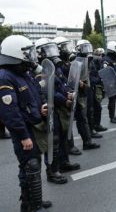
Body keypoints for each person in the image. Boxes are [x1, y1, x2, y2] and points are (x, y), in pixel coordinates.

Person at [0, 35, 52, 211]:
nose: (29, 56)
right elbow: (10, 112)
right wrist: (23, 136)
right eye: (26, 53)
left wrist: (41, 109)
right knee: (29, 166)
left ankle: (34, 200)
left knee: (34, 164)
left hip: (33, 126)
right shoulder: (5, 77)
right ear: (15, 53)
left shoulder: (23, 73)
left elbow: (34, 96)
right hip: (23, 131)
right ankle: (29, 205)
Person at [34, 38, 68, 184]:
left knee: (61, 137)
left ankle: (62, 164)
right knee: (52, 140)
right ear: (40, 53)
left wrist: (68, 94)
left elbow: (62, 85)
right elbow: (47, 91)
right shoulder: (40, 71)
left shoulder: (54, 68)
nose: (52, 53)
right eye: (48, 50)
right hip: (49, 108)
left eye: (53, 49)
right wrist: (64, 99)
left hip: (58, 108)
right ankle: (52, 171)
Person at [53, 36, 82, 156]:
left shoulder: (63, 63)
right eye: (64, 47)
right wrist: (65, 98)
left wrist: (69, 92)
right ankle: (69, 147)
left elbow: (64, 81)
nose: (67, 49)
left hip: (67, 95)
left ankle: (69, 148)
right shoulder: (55, 64)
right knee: (64, 126)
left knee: (69, 122)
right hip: (59, 102)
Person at [73, 40, 101, 150]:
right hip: (80, 90)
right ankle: (88, 136)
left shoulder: (90, 60)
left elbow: (93, 73)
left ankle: (91, 130)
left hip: (89, 87)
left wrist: (95, 81)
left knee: (91, 109)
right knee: (84, 114)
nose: (87, 50)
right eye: (84, 47)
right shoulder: (75, 60)